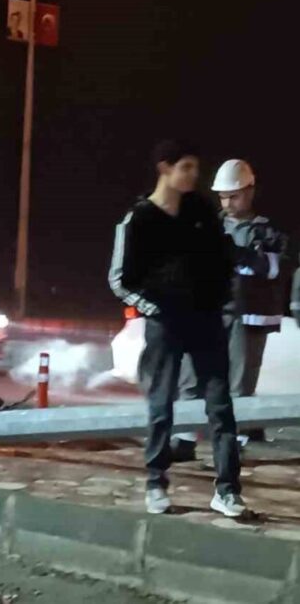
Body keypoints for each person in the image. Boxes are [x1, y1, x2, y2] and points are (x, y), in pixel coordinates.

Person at [108, 139, 245, 518]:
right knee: (161, 406)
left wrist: (218, 301)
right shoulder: (140, 219)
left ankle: (228, 491)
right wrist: (156, 309)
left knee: (221, 407)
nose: (193, 175)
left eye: (195, 168)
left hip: (206, 322)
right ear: (165, 168)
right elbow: (119, 279)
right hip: (166, 325)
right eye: (186, 167)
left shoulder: (200, 210)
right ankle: (156, 483)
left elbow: (222, 260)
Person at [171, 160, 293, 455]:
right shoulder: (209, 226)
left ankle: (233, 444)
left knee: (239, 383)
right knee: (191, 375)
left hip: (247, 317)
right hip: (209, 312)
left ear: (250, 191)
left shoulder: (268, 231)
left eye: (233, 196)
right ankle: (185, 439)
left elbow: (279, 268)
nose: (227, 203)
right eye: (223, 197)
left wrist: (242, 256)